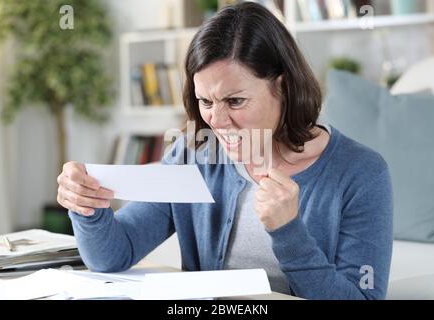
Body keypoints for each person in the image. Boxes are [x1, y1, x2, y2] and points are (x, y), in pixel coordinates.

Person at [56, 2, 393, 300]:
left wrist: (289, 231)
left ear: (284, 87)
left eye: (235, 101)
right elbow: (112, 256)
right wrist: (87, 207)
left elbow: (360, 297)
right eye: (206, 101)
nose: (217, 121)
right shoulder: (194, 155)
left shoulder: (360, 173)